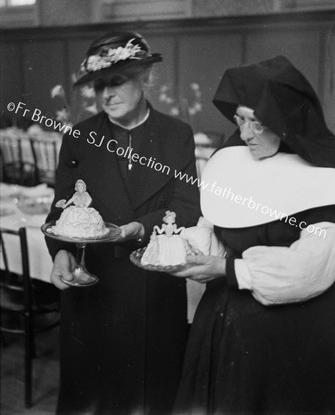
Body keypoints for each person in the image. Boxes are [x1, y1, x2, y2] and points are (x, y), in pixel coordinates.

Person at [45, 30, 201, 415]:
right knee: (93, 396)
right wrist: (62, 251)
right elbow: (60, 210)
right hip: (93, 288)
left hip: (153, 285)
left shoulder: (176, 135)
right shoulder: (80, 138)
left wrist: (139, 227)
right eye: (99, 86)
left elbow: (187, 206)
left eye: (116, 82)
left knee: (149, 395)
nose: (106, 95)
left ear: (145, 77)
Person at [170, 56, 335, 414]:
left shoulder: (325, 179)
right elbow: (214, 226)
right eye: (240, 120)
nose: (245, 135)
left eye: (257, 123)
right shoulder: (235, 162)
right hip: (221, 324)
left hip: (285, 335)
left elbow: (309, 268)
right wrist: (186, 248)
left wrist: (228, 270)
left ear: (286, 123)